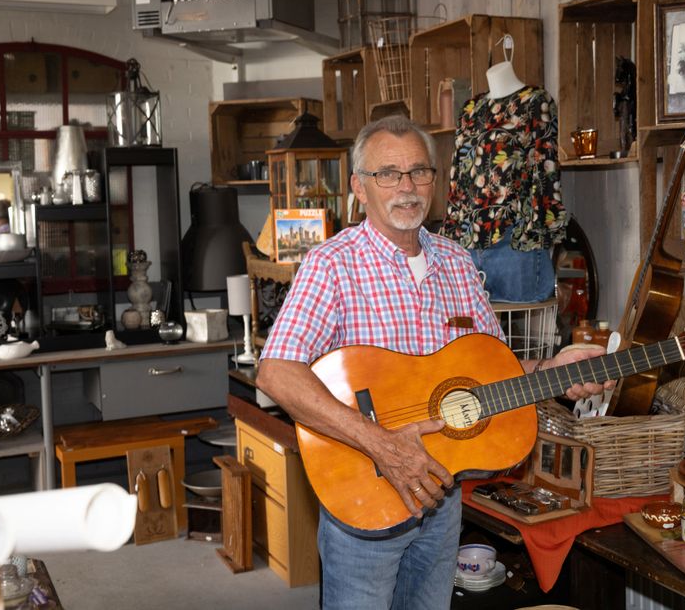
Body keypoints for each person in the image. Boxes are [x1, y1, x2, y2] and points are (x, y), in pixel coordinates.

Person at [256, 114, 613, 610]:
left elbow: (491, 372)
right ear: (359, 187)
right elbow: (276, 371)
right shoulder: (332, 264)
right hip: (364, 497)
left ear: (435, 182)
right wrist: (383, 445)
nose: (406, 188)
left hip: (442, 499)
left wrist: (552, 371)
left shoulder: (458, 263)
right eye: (388, 174)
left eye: (418, 172)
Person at [441, 61, 567, 303]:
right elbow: (457, 180)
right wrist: (451, 237)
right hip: (467, 245)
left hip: (514, 243)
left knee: (522, 334)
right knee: (473, 332)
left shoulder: (534, 102)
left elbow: (545, 172)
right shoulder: (470, 110)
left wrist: (538, 235)